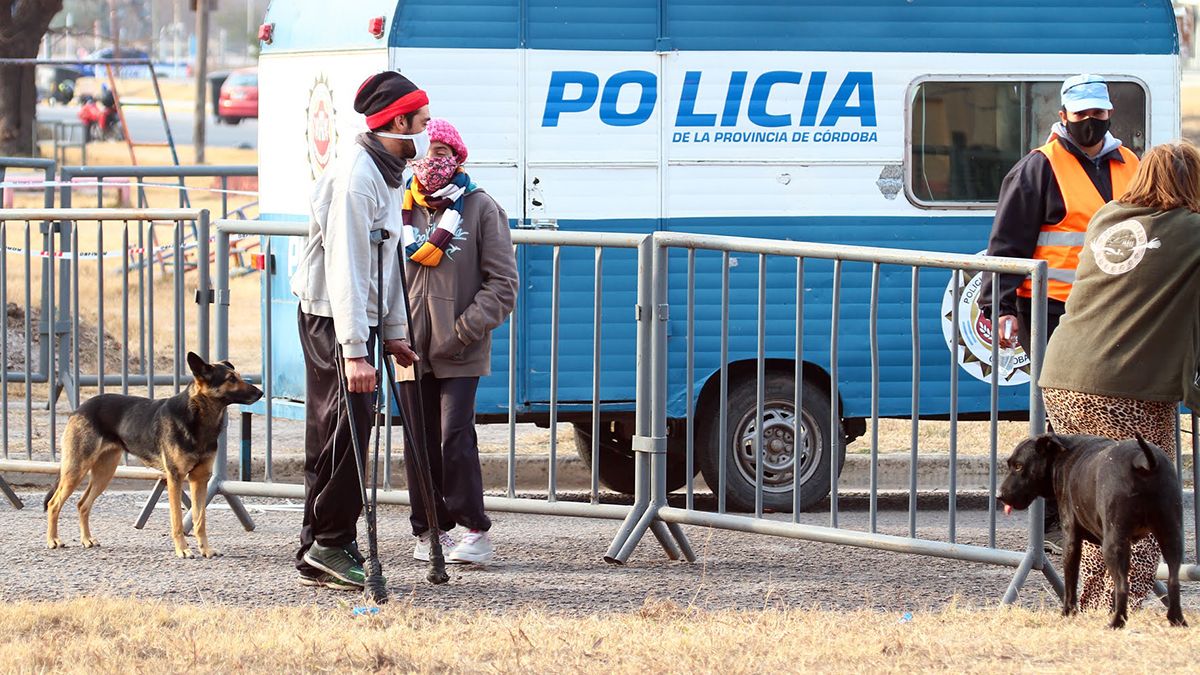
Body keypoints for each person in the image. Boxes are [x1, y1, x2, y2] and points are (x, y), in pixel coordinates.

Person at [980, 74, 1140, 553]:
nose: (1091, 121)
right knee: (1063, 413)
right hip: (1050, 309)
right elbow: (1007, 244)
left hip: (1112, 307)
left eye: (1098, 113)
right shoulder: (1038, 167)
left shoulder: (1131, 164)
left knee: (1104, 410)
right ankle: (1056, 521)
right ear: (1063, 116)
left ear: (1110, 113)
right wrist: (1000, 305)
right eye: (1082, 114)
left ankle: (1103, 512)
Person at [1039, 141, 1200, 612]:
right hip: (1126, 387)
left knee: (1098, 505)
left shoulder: (1107, 218)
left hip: (1064, 375)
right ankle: (1112, 610)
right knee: (1143, 503)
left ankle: (1092, 605)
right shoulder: (1190, 229)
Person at [289, 71, 427, 590]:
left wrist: (392, 330)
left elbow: (384, 260)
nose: (427, 131)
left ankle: (321, 545)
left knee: (343, 428)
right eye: (422, 122)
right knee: (344, 428)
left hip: (355, 316)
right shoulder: (357, 176)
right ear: (398, 123)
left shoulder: (386, 172)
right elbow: (347, 266)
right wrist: (353, 350)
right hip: (333, 317)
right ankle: (328, 540)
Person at [398, 118, 518, 565]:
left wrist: (462, 330)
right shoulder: (398, 205)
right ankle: (429, 529)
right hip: (407, 347)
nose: (432, 161)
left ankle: (474, 529)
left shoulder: (481, 207)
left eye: (442, 152)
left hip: (461, 348)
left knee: (454, 437)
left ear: (457, 157)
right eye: (425, 151)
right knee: (418, 440)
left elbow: (502, 284)